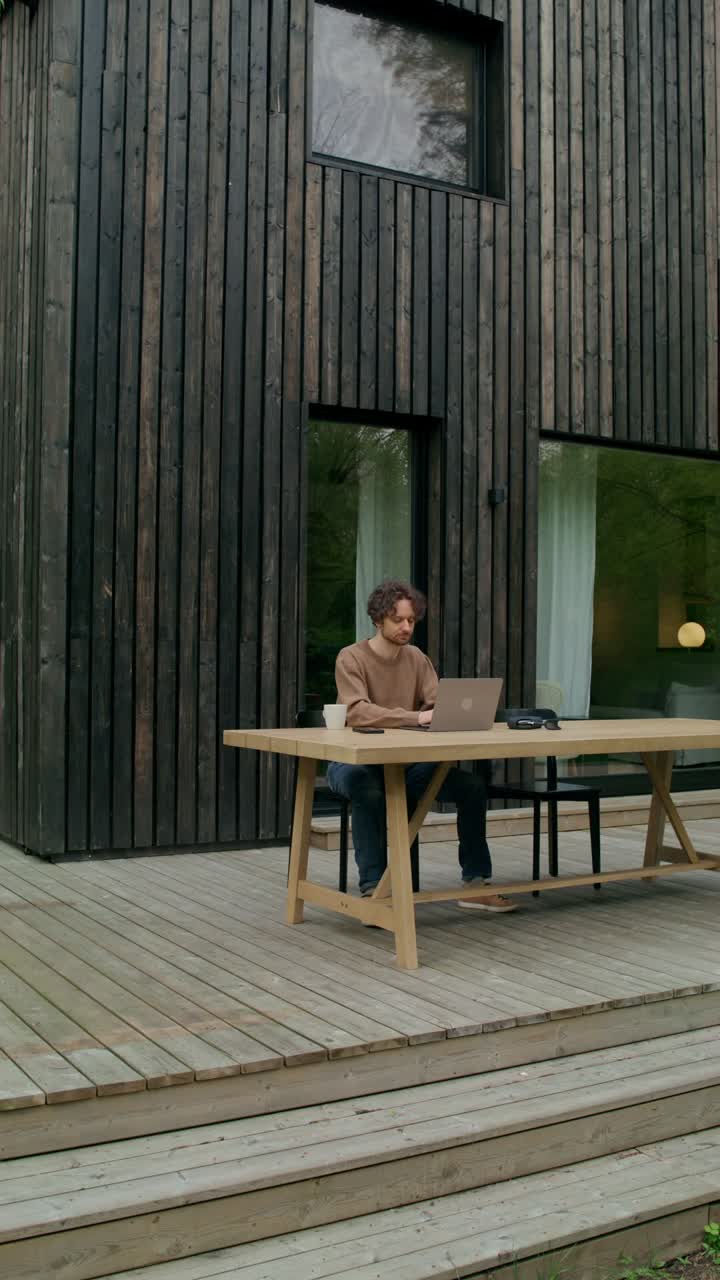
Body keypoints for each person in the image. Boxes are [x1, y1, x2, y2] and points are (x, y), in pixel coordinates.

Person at [326, 580, 516, 912]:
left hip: (406, 765)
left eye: (411, 620)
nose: (406, 627)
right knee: (366, 788)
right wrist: (415, 717)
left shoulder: (416, 658)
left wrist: (451, 714)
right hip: (353, 762)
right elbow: (356, 711)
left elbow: (437, 704)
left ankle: (476, 884)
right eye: (398, 619)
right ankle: (374, 891)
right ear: (378, 619)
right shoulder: (351, 657)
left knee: (471, 787)